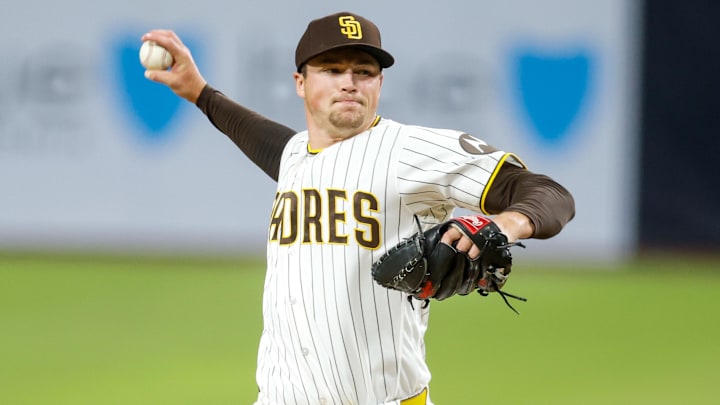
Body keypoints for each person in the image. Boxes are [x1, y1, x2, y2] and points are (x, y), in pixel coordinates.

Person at [142, 11, 575, 405]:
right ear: (300, 83)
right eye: (332, 70)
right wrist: (200, 93)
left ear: (379, 84)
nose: (349, 81)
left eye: (364, 72)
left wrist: (504, 223)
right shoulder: (296, 155)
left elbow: (548, 192)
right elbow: (262, 139)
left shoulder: (409, 151)